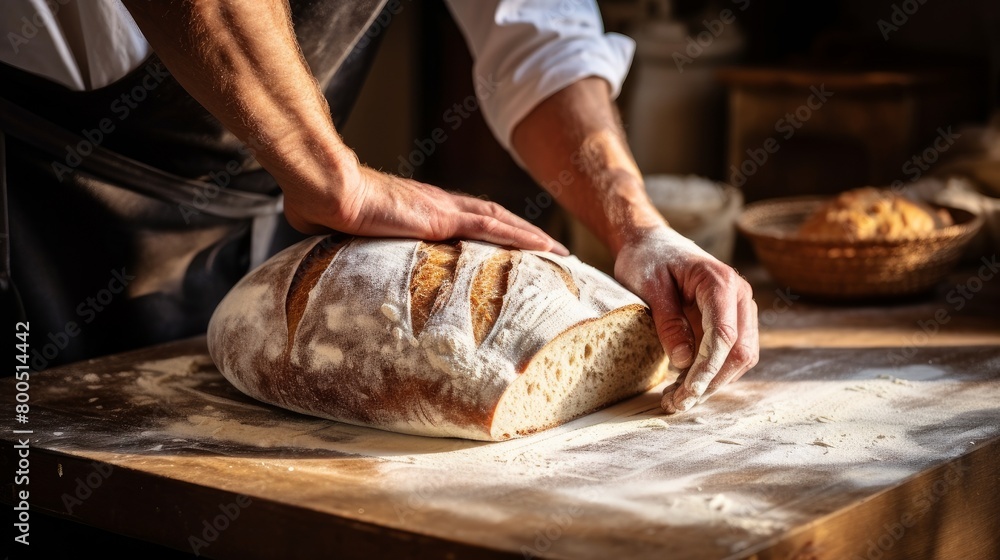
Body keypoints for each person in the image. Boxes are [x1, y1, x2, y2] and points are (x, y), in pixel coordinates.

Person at [0, 0, 757, 414]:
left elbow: (537, 35)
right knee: (41, 483)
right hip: (39, 199)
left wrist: (638, 226)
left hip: (254, 209)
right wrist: (334, 176)